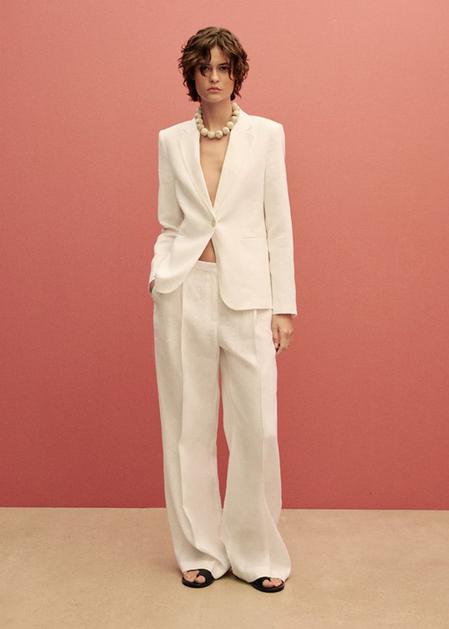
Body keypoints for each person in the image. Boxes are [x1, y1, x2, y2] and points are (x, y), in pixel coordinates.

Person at [148, 26, 298, 593]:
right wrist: (160, 275)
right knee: (188, 427)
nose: (214, 77)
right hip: (185, 289)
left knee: (257, 428)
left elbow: (278, 224)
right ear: (192, 75)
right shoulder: (171, 141)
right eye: (204, 68)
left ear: (236, 74)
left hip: (249, 295)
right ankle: (201, 550)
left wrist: (284, 305)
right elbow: (170, 222)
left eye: (223, 68)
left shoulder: (266, 135)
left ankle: (257, 552)